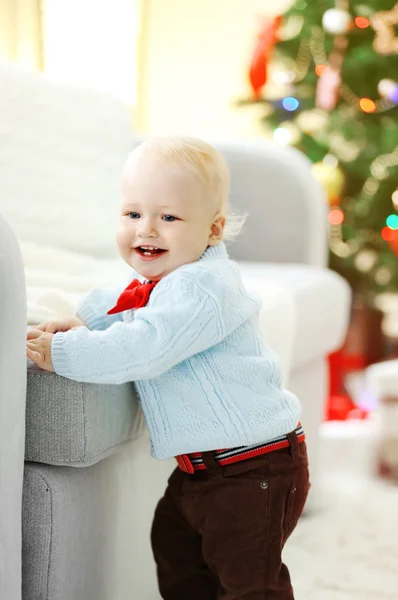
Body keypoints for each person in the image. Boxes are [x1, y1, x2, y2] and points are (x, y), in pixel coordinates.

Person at [26, 135, 310, 599]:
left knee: (248, 583)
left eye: (169, 217)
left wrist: (67, 354)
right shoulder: (168, 279)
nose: (147, 230)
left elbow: (147, 343)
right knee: (178, 557)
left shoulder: (203, 288)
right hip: (202, 470)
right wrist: (85, 320)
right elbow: (129, 301)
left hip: (254, 469)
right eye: (133, 214)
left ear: (213, 230)